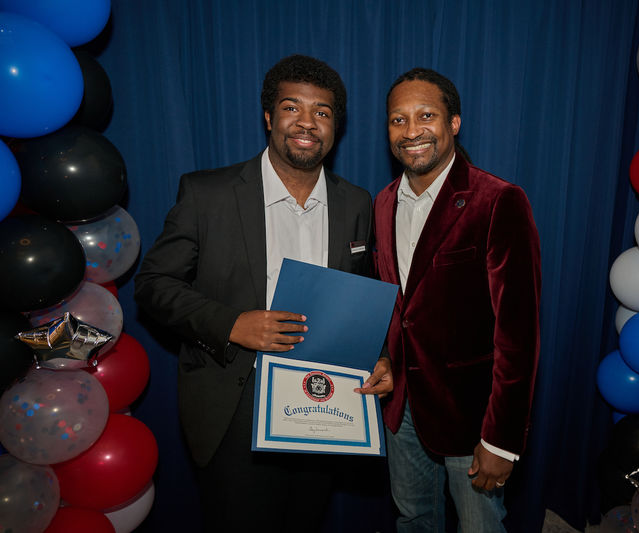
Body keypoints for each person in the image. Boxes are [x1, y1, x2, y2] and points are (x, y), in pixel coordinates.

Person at [134, 54, 390, 531]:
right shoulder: (207, 193)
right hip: (235, 397)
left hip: (324, 401)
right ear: (269, 116)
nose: (307, 123)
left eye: (323, 112)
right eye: (292, 107)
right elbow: (153, 284)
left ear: (336, 126)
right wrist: (231, 324)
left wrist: (378, 354)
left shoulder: (356, 202)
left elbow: (363, 291)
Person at [373, 68, 541, 532]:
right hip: (401, 409)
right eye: (397, 120)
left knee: (480, 527)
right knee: (413, 520)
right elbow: (397, 308)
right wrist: (386, 358)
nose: (411, 132)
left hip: (472, 414)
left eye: (426, 115)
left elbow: (519, 332)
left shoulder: (497, 200)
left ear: (454, 123)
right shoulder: (383, 203)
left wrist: (501, 439)